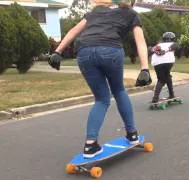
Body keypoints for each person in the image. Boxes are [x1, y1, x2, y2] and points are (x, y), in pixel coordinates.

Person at [48, 0, 151, 158]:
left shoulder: (96, 11)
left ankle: (90, 145)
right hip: (110, 50)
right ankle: (132, 135)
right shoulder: (131, 13)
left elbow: (74, 30)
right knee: (118, 91)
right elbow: (140, 41)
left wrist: (58, 51)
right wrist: (145, 69)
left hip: (84, 53)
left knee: (101, 99)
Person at [150, 32, 179, 103]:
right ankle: (155, 98)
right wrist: (168, 49)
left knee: (167, 77)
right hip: (168, 62)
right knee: (162, 80)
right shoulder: (173, 43)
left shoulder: (157, 45)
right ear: (173, 39)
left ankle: (171, 94)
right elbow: (176, 46)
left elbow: (149, 50)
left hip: (156, 63)